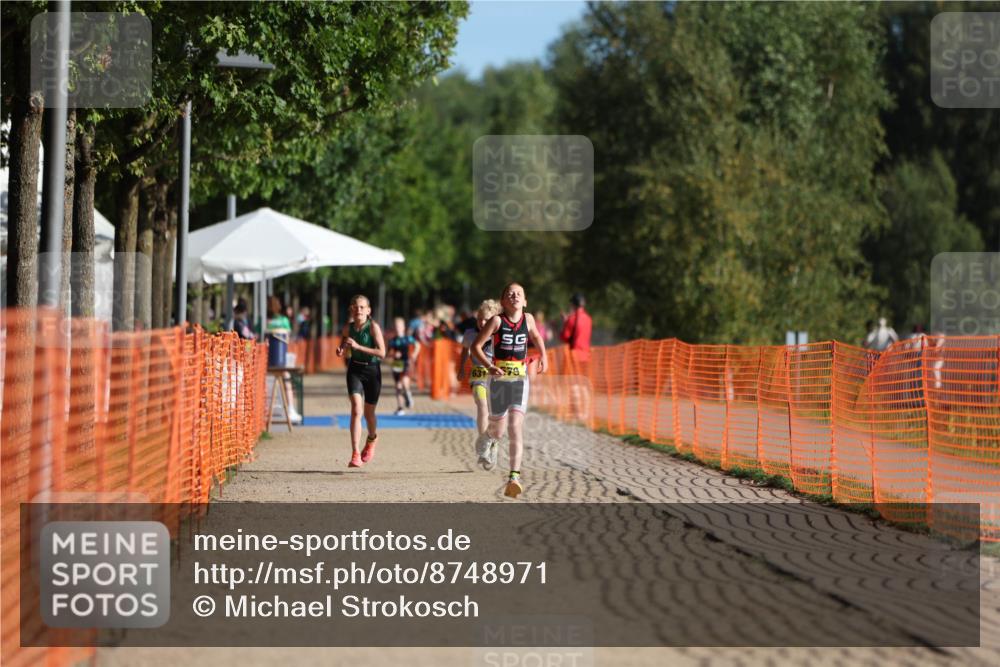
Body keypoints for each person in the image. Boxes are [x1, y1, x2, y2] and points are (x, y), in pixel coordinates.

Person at [472, 283, 547, 499]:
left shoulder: (529, 319)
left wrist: (545, 357)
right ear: (503, 301)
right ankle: (487, 437)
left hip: (519, 381)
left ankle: (513, 477)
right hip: (498, 381)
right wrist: (488, 366)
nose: (514, 296)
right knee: (498, 430)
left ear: (525, 301)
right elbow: (475, 347)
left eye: (519, 294)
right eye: (509, 294)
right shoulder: (497, 321)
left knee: (515, 426)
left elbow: (537, 337)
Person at [336, 295, 386, 468]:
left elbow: (382, 353)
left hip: (372, 370)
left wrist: (357, 347)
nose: (359, 310)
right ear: (351, 309)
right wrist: (342, 348)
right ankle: (355, 453)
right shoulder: (347, 328)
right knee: (356, 410)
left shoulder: (373, 327)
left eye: (362, 307)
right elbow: (344, 339)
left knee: (368, 413)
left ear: (368, 310)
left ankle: (372, 438)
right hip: (355, 369)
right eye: (356, 307)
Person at [457, 299, 501, 449]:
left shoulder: (499, 335)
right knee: (482, 406)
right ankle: (483, 441)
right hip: (478, 375)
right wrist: (461, 367)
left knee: (495, 413)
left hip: (496, 377)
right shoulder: (470, 334)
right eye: (480, 319)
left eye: (487, 320)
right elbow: (464, 350)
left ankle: (492, 439)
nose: (482, 323)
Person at [267, 296, 302, 424]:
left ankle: (268, 409)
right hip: (280, 357)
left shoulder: (265, 320)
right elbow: (288, 336)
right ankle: (291, 408)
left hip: (266, 359)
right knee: (286, 378)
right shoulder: (284, 320)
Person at [387, 317, 420, 415]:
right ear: (394, 328)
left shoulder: (407, 338)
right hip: (396, 364)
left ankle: (408, 395)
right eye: (396, 326)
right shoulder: (392, 341)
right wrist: (393, 355)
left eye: (399, 326)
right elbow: (387, 354)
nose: (398, 328)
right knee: (398, 386)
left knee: (405, 382)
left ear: (403, 327)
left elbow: (418, 345)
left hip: (406, 362)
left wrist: (414, 354)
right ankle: (400, 407)